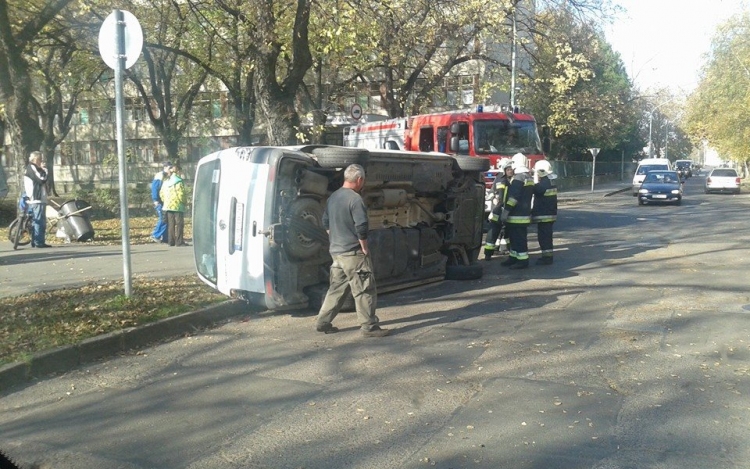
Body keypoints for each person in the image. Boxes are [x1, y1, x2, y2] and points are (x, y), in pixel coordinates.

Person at [315, 164, 390, 338]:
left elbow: (325, 221)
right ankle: (369, 327)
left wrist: (335, 236)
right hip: (353, 253)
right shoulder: (355, 199)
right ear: (359, 180)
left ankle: (322, 322)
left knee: (336, 290)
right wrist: (364, 246)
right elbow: (361, 225)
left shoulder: (333, 197)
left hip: (336, 253)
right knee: (365, 290)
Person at [500, 153, 534, 269]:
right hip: (523, 214)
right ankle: (513, 257)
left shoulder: (518, 178)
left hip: (516, 216)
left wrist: (506, 211)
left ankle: (523, 261)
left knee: (518, 239)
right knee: (515, 238)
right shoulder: (528, 177)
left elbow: (513, 198)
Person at [484, 158, 513, 260]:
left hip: (499, 209)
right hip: (499, 210)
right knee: (494, 231)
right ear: (504, 169)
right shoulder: (502, 179)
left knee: (505, 230)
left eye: (511, 169)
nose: (511, 171)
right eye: (508, 169)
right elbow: (501, 197)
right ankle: (488, 253)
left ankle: (496, 250)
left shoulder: (503, 178)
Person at [531, 160, 558, 265]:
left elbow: (536, 190)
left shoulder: (544, 183)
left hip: (545, 215)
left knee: (544, 238)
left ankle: (547, 258)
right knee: (546, 237)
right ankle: (547, 257)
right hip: (549, 214)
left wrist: (534, 180)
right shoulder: (550, 181)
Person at [23, 151, 51, 248]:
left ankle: (36, 241)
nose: (41, 161)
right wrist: (45, 170)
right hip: (36, 198)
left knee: (37, 220)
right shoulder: (32, 167)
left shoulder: (35, 168)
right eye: (40, 159)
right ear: (35, 159)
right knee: (39, 220)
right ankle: (39, 242)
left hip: (39, 198)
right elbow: (42, 179)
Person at [160, 163, 188, 247]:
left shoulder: (166, 181)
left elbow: (161, 193)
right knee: (179, 224)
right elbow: (181, 194)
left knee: (171, 224)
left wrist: (165, 201)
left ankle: (171, 241)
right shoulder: (178, 181)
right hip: (177, 205)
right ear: (178, 171)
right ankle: (179, 241)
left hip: (167, 205)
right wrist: (184, 202)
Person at [150, 161, 171, 243]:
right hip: (159, 201)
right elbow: (155, 188)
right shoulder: (160, 175)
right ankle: (156, 235)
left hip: (165, 200)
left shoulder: (167, 176)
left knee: (166, 219)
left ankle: (165, 236)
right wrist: (155, 200)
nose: (170, 170)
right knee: (163, 218)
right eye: (169, 168)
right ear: (165, 167)